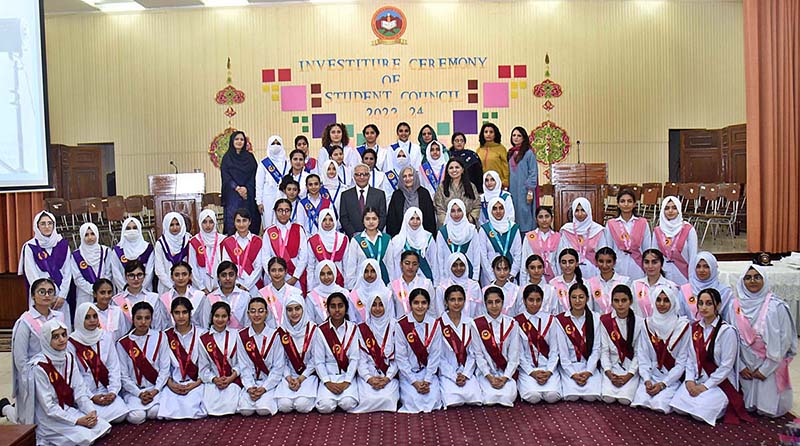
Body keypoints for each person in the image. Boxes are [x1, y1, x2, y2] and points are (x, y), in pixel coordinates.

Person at [670, 288, 753, 426]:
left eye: (709, 303)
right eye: (701, 303)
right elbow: (690, 359)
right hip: (697, 379)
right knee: (678, 408)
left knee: (700, 415)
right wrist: (689, 381)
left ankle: (718, 404)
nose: (703, 307)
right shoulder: (695, 328)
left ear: (718, 305)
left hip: (720, 383)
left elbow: (726, 366)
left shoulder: (727, 331)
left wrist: (705, 387)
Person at [32, 320, 112, 444]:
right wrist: (77, 421)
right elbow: (48, 407)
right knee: (85, 438)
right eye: (55, 337)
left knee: (103, 427)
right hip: (49, 416)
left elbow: (79, 389)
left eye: (64, 335)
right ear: (47, 339)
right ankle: (6, 409)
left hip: (66, 408)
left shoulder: (68, 357)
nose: (62, 339)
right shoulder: (39, 367)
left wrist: (90, 412)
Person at [733, 265, 797, 418]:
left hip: (770, 363)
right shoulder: (734, 306)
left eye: (757, 277)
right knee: (744, 405)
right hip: (744, 364)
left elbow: (785, 340)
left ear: (765, 279)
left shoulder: (776, 307)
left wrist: (766, 369)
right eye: (748, 278)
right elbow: (730, 337)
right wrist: (740, 366)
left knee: (768, 409)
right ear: (742, 281)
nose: (753, 281)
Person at [9, 279, 67, 424]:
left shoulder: (59, 317)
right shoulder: (25, 322)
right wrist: (28, 383)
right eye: (42, 291)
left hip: (57, 371)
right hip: (35, 376)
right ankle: (6, 408)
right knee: (29, 421)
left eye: (50, 292)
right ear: (33, 295)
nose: (46, 295)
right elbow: (20, 359)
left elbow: (65, 345)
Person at [631, 286, 690, 413]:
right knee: (641, 401)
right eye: (658, 300)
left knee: (660, 405)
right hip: (651, 376)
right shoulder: (648, 324)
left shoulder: (683, 326)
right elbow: (643, 355)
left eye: (666, 300)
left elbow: (682, 362)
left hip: (671, 378)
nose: (661, 304)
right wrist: (646, 379)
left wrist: (664, 383)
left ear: (673, 302)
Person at [68, 302, 130, 424]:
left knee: (122, 414)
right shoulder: (71, 343)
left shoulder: (105, 337)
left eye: (95, 316)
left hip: (105, 389)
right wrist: (91, 396)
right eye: (87, 317)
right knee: (93, 415)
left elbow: (114, 367)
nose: (92, 320)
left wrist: (112, 392)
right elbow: (74, 376)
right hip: (85, 393)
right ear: (80, 319)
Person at [116, 302, 170, 424]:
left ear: (152, 319)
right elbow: (123, 375)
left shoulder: (160, 337)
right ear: (133, 319)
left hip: (155, 389)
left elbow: (165, 368)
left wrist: (156, 390)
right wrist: (139, 393)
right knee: (137, 417)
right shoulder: (123, 343)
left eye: (147, 318)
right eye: (139, 318)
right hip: (134, 391)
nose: (143, 322)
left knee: (154, 412)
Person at [471, 286, 521, 407]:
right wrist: (489, 376)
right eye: (490, 302)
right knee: (489, 398)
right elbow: (478, 355)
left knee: (508, 396)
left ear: (503, 303)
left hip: (506, 372)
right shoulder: (476, 324)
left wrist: (505, 377)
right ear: (485, 304)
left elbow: (514, 355)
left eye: (497, 302)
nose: (494, 306)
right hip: (486, 373)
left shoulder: (512, 324)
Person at [18, 211, 72, 321]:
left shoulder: (63, 245)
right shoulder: (30, 246)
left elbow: (68, 271)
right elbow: (31, 273)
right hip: (40, 297)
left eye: (49, 223)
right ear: (37, 226)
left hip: (60, 297)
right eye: (43, 224)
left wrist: (62, 296)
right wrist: (43, 295)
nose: (47, 227)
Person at [395, 289, 442, 413]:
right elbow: (401, 357)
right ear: (410, 304)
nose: (420, 306)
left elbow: (435, 355)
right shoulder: (401, 325)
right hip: (409, 374)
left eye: (423, 303)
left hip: (428, 372)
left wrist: (427, 380)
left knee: (433, 399)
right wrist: (414, 382)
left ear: (428, 305)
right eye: (416, 303)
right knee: (413, 401)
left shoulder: (435, 325)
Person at [236, 297, 284, 416]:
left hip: (269, 382)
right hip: (251, 382)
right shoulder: (242, 335)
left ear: (267, 313)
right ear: (248, 313)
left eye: (260, 311)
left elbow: (278, 366)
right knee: (245, 411)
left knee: (263, 410)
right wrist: (249, 386)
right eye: (253, 311)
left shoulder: (275, 335)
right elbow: (244, 365)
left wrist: (265, 387)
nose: (256, 315)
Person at [352, 293, 399, 413]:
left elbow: (399, 357)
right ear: (368, 307)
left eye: (381, 305)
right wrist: (369, 378)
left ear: (387, 306)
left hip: (389, 375)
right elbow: (360, 359)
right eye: (374, 305)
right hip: (369, 374)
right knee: (366, 399)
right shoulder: (361, 328)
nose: (377, 309)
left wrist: (388, 378)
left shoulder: (395, 326)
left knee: (388, 399)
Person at [555, 282, 603, 401]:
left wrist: (588, 371)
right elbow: (562, 352)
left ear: (587, 298)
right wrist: (572, 374)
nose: (577, 301)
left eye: (581, 297)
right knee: (571, 396)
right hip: (569, 366)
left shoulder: (596, 318)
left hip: (589, 365)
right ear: (569, 298)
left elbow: (597, 349)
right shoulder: (560, 320)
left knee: (592, 396)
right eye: (574, 297)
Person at [313, 293, 360, 413]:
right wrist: (327, 382)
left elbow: (354, 358)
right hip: (328, 376)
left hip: (346, 375)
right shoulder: (320, 330)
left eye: (340, 306)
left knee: (348, 403)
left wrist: (347, 381)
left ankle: (341, 397)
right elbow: (319, 361)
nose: (337, 310)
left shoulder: (353, 328)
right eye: (333, 306)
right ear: (328, 309)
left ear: (346, 308)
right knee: (325, 407)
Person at [515, 284, 561, 404]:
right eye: (531, 300)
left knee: (552, 396)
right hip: (528, 369)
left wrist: (549, 370)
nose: (534, 304)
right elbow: (518, 353)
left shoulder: (551, 320)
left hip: (547, 367)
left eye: (538, 300)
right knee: (532, 397)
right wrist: (531, 372)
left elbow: (555, 350)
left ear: (542, 301)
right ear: (524, 301)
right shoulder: (516, 322)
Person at [437, 285, 482, 408]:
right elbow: (438, 356)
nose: (456, 303)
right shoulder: (439, 325)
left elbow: (474, 353)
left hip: (466, 372)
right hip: (448, 373)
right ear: (446, 302)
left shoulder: (470, 323)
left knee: (474, 397)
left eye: (460, 299)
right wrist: (453, 375)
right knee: (453, 400)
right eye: (452, 300)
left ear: (464, 301)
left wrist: (466, 374)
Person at [275, 295, 319, 414]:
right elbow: (280, 360)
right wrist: (289, 378)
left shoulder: (313, 329)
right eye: (289, 309)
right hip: (288, 375)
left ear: (303, 309)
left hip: (308, 375)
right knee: (284, 406)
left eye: (297, 308)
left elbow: (316, 359)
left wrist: (300, 378)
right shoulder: (281, 331)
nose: (294, 313)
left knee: (302, 405)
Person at [599, 285, 642, 405]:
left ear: (631, 301)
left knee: (625, 400)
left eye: (624, 300)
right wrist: (609, 372)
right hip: (611, 366)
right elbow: (604, 351)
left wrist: (629, 375)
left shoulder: (640, 323)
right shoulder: (605, 321)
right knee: (608, 398)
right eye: (616, 301)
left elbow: (639, 353)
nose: (620, 304)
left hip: (630, 367)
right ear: (611, 302)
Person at [199, 301, 242, 417]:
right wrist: (214, 379)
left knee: (231, 404)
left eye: (224, 316)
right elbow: (203, 368)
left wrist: (231, 377)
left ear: (229, 318)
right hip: (213, 381)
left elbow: (241, 363)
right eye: (217, 316)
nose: (220, 319)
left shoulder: (236, 335)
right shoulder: (203, 339)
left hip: (233, 380)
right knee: (210, 406)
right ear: (212, 317)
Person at [262, 198, 309, 293]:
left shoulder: (298, 229)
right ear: (275, 212)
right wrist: (274, 276)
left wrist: (295, 277)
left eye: (287, 210)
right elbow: (265, 257)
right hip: (273, 278)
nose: (283, 214)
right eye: (280, 210)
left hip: (294, 278)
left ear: (291, 212)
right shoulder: (269, 231)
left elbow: (303, 256)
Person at [112, 260, 170, 332]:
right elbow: (116, 328)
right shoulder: (117, 300)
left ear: (144, 276)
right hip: (125, 341)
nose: (136, 279)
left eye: (139, 275)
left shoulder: (153, 298)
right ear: (126, 277)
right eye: (131, 275)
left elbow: (158, 325)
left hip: (150, 340)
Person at [605, 189, 651, 280]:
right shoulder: (611, 224)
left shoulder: (642, 223)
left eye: (629, 201)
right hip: (618, 266)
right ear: (618, 204)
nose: (626, 204)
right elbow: (609, 248)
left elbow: (647, 248)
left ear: (634, 204)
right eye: (622, 201)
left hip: (637, 267)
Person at [221, 130, 260, 234]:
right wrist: (237, 188)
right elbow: (226, 176)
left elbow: (254, 175)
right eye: (237, 139)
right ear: (232, 141)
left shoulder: (250, 157)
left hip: (248, 194)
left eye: (242, 139)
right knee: (233, 220)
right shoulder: (227, 158)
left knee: (248, 218)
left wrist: (246, 188)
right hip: (233, 194)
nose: (239, 141)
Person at [557, 198, 608, 279]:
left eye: (583, 210)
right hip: (570, 271)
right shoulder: (566, 230)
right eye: (576, 210)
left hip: (593, 271)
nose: (580, 214)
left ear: (588, 211)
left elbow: (603, 254)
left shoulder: (597, 230)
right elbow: (561, 253)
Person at [652, 196, 697, 285]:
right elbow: (654, 256)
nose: (670, 211)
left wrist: (692, 280)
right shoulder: (657, 231)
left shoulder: (688, 229)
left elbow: (693, 257)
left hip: (684, 277)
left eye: (674, 208)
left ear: (679, 210)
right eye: (667, 208)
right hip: (663, 277)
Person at [344, 207, 393, 287]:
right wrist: (351, 286)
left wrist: (391, 285)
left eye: (374, 218)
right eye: (367, 219)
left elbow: (390, 266)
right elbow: (352, 266)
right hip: (362, 284)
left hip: (383, 283)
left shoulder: (386, 239)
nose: (371, 222)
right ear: (363, 221)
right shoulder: (356, 240)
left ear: (378, 220)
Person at [220, 208, 263, 296]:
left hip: (255, 286)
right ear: (234, 222)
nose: (241, 224)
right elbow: (227, 265)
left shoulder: (258, 241)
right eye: (238, 221)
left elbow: (259, 266)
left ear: (249, 222)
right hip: (235, 286)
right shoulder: (228, 242)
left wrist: (247, 285)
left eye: (244, 221)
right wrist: (238, 284)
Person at [479, 197, 521, 285]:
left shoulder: (514, 228)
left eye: (501, 208)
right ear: (490, 210)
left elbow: (518, 254)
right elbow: (483, 255)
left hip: (510, 278)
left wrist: (512, 274)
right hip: (489, 278)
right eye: (494, 208)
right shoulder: (484, 229)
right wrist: (492, 277)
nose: (498, 211)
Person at [436, 199, 481, 282]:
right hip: (448, 278)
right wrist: (442, 279)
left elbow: (477, 255)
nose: (456, 214)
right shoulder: (443, 232)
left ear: (464, 211)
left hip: (469, 276)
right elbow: (440, 258)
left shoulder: (471, 230)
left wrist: (475, 277)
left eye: (459, 210)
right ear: (449, 212)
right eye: (453, 211)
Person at [630, 249, 683, 319]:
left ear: (661, 264)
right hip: (639, 328)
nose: (650, 266)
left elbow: (675, 312)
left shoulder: (671, 287)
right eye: (646, 262)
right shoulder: (635, 285)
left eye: (654, 262)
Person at [389, 207, 438, 282]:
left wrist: (436, 282)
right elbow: (395, 264)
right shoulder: (398, 240)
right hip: (404, 281)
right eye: (412, 218)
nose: (415, 222)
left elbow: (434, 261)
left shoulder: (428, 238)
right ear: (406, 219)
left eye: (418, 219)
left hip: (425, 280)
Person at [682, 251, 733, 323]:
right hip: (690, 332)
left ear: (713, 268)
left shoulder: (725, 292)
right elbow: (680, 316)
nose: (701, 270)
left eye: (706, 266)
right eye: (698, 266)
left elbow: (729, 318)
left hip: (718, 332)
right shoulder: (685, 290)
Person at [386, 166, 437, 237]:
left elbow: (430, 219)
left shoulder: (424, 193)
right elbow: (391, 220)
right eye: (404, 176)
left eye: (410, 175)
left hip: (422, 237)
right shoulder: (397, 195)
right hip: (401, 237)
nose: (407, 179)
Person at [71, 222, 112, 309]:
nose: (90, 237)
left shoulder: (106, 251)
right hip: (85, 294)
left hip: (105, 293)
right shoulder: (76, 255)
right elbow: (77, 278)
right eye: (86, 235)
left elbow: (108, 272)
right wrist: (93, 290)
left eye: (92, 234)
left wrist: (102, 289)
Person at [340, 164, 388, 237]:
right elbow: (344, 217)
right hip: (354, 238)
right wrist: (353, 234)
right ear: (354, 177)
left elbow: (383, 216)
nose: (361, 177)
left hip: (374, 237)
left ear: (369, 176)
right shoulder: (346, 195)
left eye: (365, 174)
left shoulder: (379, 194)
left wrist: (373, 233)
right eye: (358, 174)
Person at [159, 262, 211, 328]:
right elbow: (164, 324)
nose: (181, 278)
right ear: (172, 277)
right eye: (177, 275)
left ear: (190, 276)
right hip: (171, 336)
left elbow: (204, 323)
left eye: (184, 274)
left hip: (196, 336)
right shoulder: (164, 298)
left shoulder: (200, 296)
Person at [306, 208, 349, 291]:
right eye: (324, 220)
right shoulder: (313, 240)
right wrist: (310, 289)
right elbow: (310, 267)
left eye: (331, 220)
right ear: (320, 221)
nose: (328, 223)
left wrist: (347, 287)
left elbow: (346, 266)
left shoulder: (343, 239)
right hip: (318, 285)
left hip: (339, 284)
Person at [110, 217, 155, 293]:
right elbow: (116, 274)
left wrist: (140, 289)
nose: (132, 231)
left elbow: (149, 273)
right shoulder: (117, 251)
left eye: (135, 228)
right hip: (124, 292)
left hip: (145, 291)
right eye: (128, 228)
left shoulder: (148, 249)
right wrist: (126, 289)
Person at [258, 257, 304, 329]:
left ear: (285, 271)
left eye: (280, 270)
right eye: (273, 270)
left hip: (292, 333)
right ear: (268, 272)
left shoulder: (296, 292)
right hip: (269, 335)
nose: (277, 273)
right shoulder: (261, 294)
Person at [508, 126, 539, 232]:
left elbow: (533, 172)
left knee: (525, 215)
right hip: (512, 191)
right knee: (514, 214)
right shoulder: (510, 153)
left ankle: (527, 241)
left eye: (519, 136)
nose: (516, 138)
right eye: (514, 135)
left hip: (525, 191)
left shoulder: (529, 153)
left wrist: (530, 190)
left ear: (524, 138)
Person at [434, 159, 481, 226]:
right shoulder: (442, 187)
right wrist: (447, 223)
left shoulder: (471, 186)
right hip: (447, 226)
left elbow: (477, 205)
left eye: (457, 167)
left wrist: (470, 220)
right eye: (451, 168)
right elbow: (439, 207)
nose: (454, 170)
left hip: (467, 225)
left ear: (462, 170)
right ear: (447, 171)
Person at [256, 135, 290, 228]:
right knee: (269, 223)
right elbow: (259, 184)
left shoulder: (287, 162)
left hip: (284, 196)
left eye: (278, 143)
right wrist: (259, 201)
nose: (276, 145)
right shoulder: (264, 163)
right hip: (268, 198)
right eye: (273, 143)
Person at [435, 253, 483, 318]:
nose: (458, 268)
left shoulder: (474, 286)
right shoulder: (441, 288)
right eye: (454, 265)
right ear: (449, 266)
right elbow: (440, 313)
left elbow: (479, 312)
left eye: (462, 265)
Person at [390, 251, 436, 317]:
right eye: (407, 263)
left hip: (422, 325)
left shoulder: (426, 284)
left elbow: (432, 310)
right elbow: (391, 312)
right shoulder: (392, 285)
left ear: (418, 266)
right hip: (400, 325)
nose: (410, 267)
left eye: (414, 264)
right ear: (401, 264)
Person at [521, 206, 560, 283]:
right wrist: (523, 284)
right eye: (540, 217)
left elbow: (559, 262)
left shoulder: (558, 237)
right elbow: (524, 262)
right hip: (533, 278)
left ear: (552, 219)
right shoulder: (529, 237)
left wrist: (559, 281)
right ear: (536, 219)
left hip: (553, 278)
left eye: (547, 216)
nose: (544, 220)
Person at [205, 262, 250, 330]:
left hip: (239, 338)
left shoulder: (245, 296)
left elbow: (248, 322)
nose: (228, 278)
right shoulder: (210, 297)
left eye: (231, 275)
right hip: (216, 338)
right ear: (218, 277)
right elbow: (205, 323)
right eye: (224, 275)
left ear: (236, 276)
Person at [587, 248, 631, 315]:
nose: (604, 265)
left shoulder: (625, 281)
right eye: (601, 261)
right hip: (597, 323)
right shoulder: (590, 283)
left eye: (608, 261)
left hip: (619, 322)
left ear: (614, 262)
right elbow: (589, 308)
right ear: (596, 262)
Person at [188, 209, 222, 295]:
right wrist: (201, 287)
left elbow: (225, 264)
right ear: (200, 223)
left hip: (219, 286)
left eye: (211, 222)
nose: (208, 225)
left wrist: (219, 285)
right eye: (204, 222)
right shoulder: (194, 241)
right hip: (200, 286)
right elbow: (192, 266)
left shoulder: (222, 240)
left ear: (215, 223)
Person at [154, 212, 189, 294]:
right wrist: (171, 286)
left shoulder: (188, 241)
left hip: (186, 286)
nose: (175, 227)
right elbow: (159, 269)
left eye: (177, 224)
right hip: (166, 287)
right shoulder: (160, 244)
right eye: (171, 225)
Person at [307, 260, 350, 325]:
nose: (326, 277)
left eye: (329, 273)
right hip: (319, 332)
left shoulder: (344, 293)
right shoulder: (311, 296)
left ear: (334, 273)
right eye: (322, 274)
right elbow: (310, 320)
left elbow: (350, 317)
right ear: (317, 275)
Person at [477, 123, 509, 188]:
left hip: (498, 184)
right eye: (486, 132)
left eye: (491, 132)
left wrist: (505, 181)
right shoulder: (479, 150)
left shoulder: (501, 148)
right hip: (483, 184)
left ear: (495, 134)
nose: (488, 134)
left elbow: (505, 167)